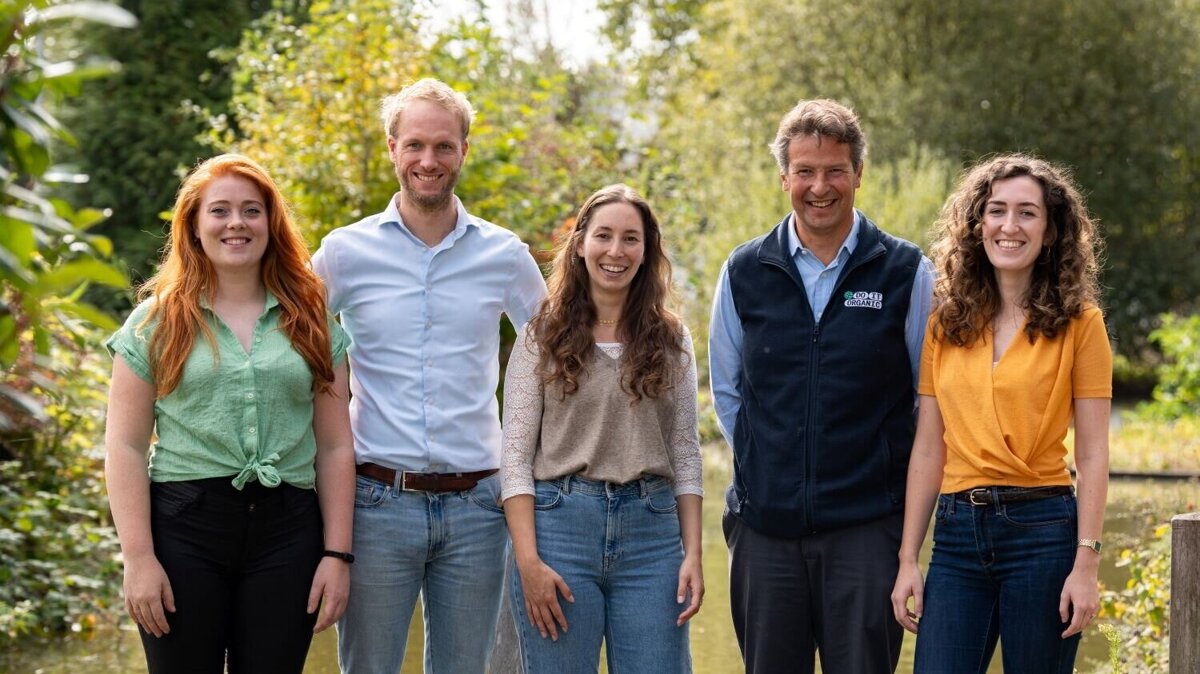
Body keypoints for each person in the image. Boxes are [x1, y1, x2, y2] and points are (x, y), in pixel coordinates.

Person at [313, 78, 547, 674]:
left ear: (464, 151)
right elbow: (288, 342)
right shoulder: (344, 253)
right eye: (414, 144)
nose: (428, 160)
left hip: (478, 506)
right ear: (392, 148)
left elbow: (554, 353)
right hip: (374, 504)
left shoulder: (504, 254)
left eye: (444, 146)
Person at [104, 154, 355, 674]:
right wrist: (138, 558)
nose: (236, 223)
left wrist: (337, 556)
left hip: (288, 534)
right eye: (219, 211)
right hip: (183, 530)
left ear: (271, 222)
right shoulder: (155, 322)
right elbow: (124, 446)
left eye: (251, 210)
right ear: (194, 227)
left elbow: (334, 446)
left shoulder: (311, 321)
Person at [708, 98, 935, 674]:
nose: (820, 186)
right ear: (784, 176)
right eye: (805, 171)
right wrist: (771, 467)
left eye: (835, 170)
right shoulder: (744, 271)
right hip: (765, 536)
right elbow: (729, 393)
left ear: (858, 174)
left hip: (866, 533)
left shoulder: (906, 272)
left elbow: (925, 400)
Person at [890, 154, 1110, 673]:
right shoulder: (946, 323)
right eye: (996, 210)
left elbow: (1095, 452)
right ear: (977, 224)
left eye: (1028, 213)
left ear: (1051, 230)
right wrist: (907, 560)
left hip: (1044, 531)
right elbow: (928, 447)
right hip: (957, 534)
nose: (1010, 226)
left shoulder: (1082, 324)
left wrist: (1087, 562)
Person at [501, 184, 704, 673]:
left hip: (653, 538)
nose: (616, 251)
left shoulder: (672, 338)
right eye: (604, 236)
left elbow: (686, 452)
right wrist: (528, 562)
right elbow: (515, 458)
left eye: (630, 239)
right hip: (559, 533)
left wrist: (693, 553)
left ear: (647, 250)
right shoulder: (540, 336)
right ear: (581, 244)